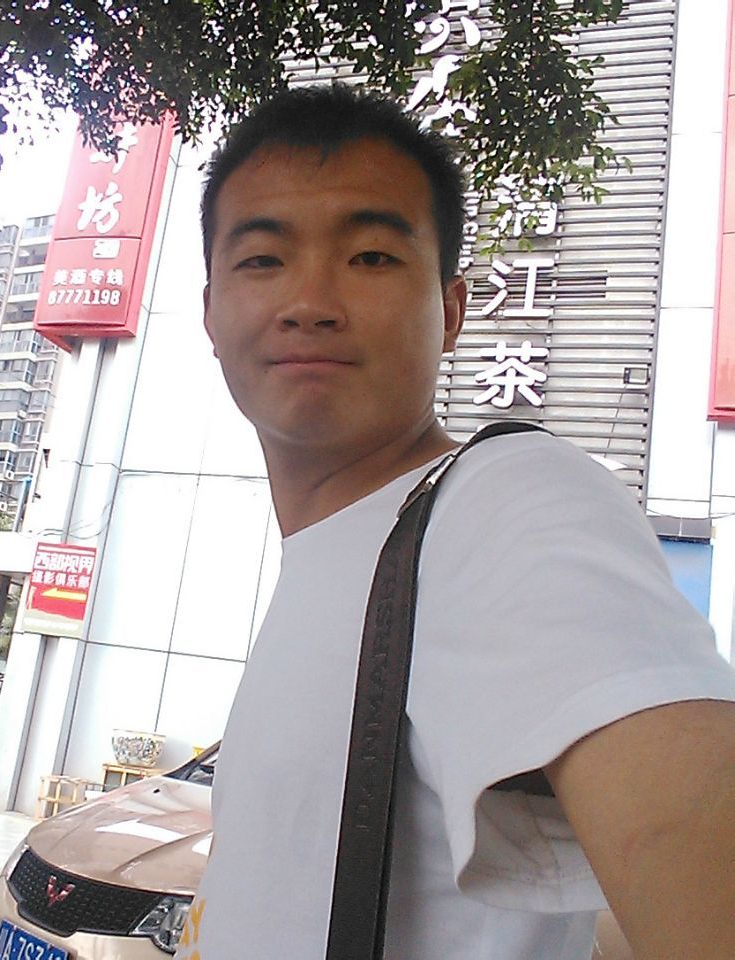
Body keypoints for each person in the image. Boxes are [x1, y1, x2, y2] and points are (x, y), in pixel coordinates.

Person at [175, 84, 735, 960]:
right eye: (262, 259)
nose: (310, 300)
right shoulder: (335, 554)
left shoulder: (505, 503)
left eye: (370, 257)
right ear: (210, 311)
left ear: (453, 311)